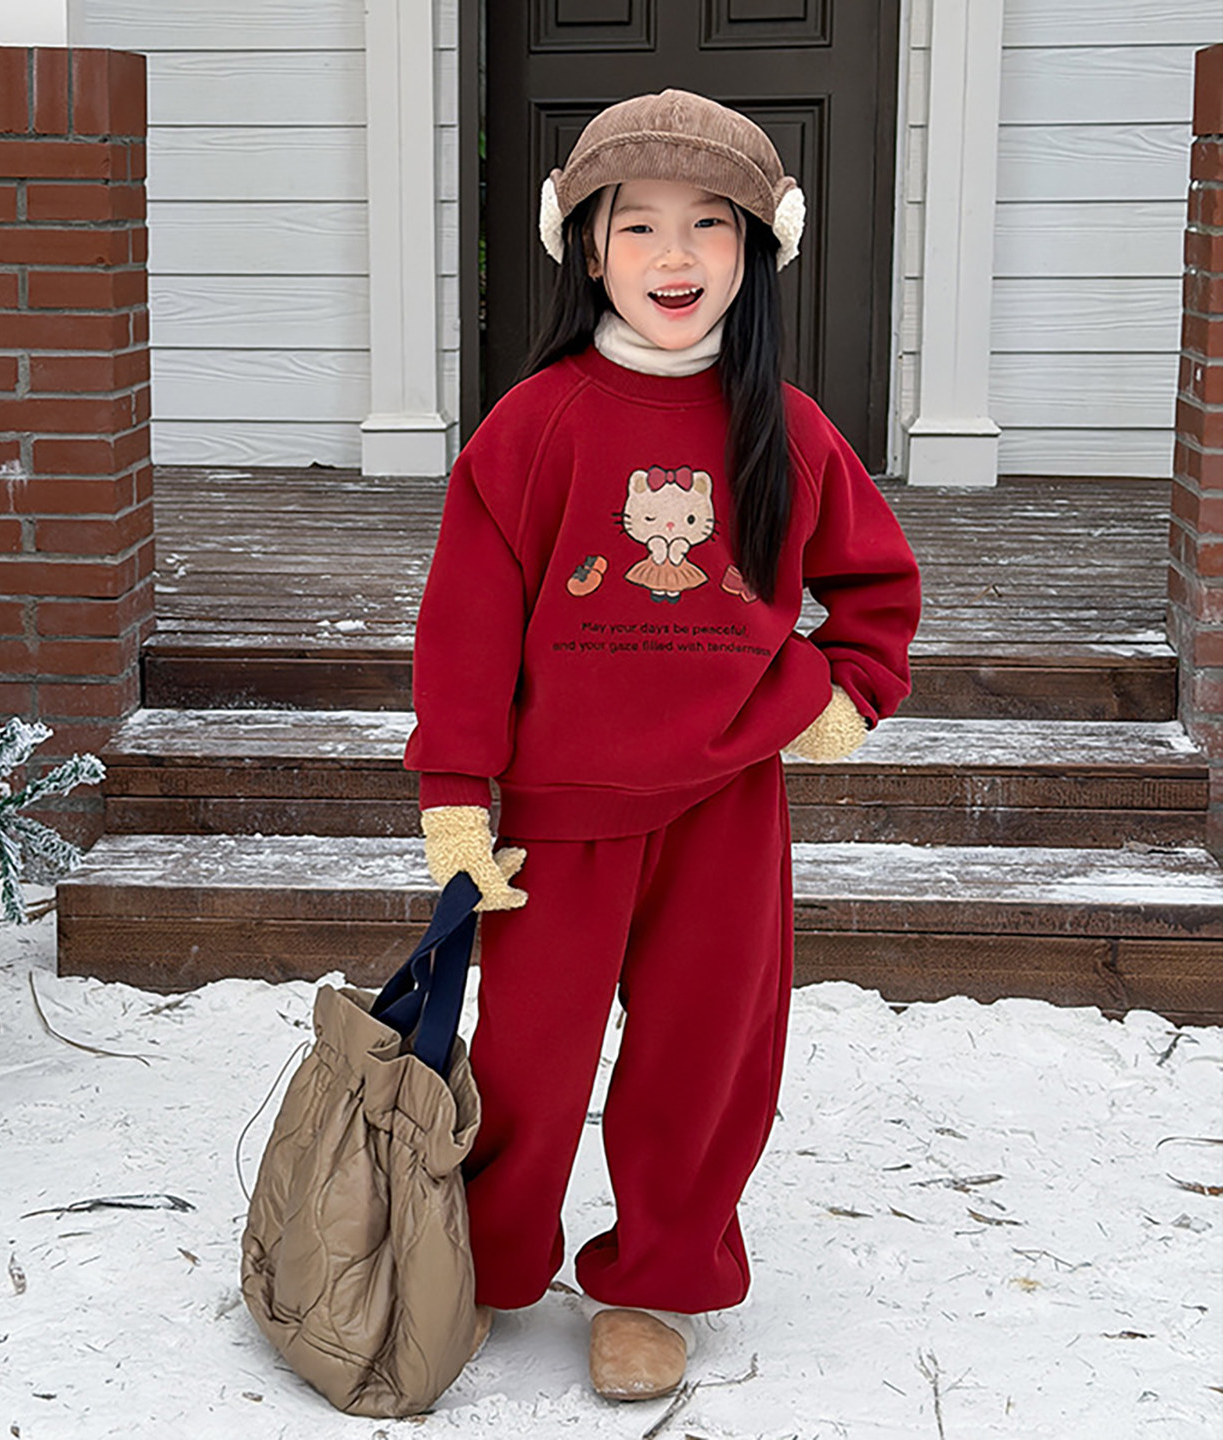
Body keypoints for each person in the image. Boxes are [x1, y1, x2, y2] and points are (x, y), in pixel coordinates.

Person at [403, 89, 921, 1403]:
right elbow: (465, 625)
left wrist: (846, 692)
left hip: (724, 808)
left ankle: (654, 1283)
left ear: (757, 250)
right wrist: (457, 794)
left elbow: (876, 586)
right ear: (587, 246)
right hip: (558, 815)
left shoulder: (788, 429)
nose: (674, 256)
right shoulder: (534, 425)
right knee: (525, 1059)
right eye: (638, 226)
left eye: (710, 225)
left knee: (705, 1057)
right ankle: (489, 1260)